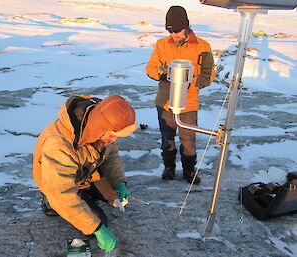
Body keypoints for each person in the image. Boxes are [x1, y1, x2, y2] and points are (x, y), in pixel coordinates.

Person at [33, 94, 138, 253]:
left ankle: (86, 197)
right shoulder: (58, 145)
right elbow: (62, 193)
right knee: (97, 223)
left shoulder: (102, 126)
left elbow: (112, 157)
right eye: (113, 135)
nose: (114, 140)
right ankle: (50, 202)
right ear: (100, 127)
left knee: (115, 197)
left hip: (87, 175)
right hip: (59, 184)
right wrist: (96, 228)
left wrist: (119, 182)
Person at [145, 6, 215, 184]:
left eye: (176, 30)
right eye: (170, 31)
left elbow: (208, 75)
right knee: (167, 138)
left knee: (188, 140)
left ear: (186, 27)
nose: (173, 35)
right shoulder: (162, 44)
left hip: (188, 103)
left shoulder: (203, 47)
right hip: (165, 101)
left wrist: (191, 83)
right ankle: (169, 168)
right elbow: (151, 67)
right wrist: (162, 74)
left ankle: (189, 171)